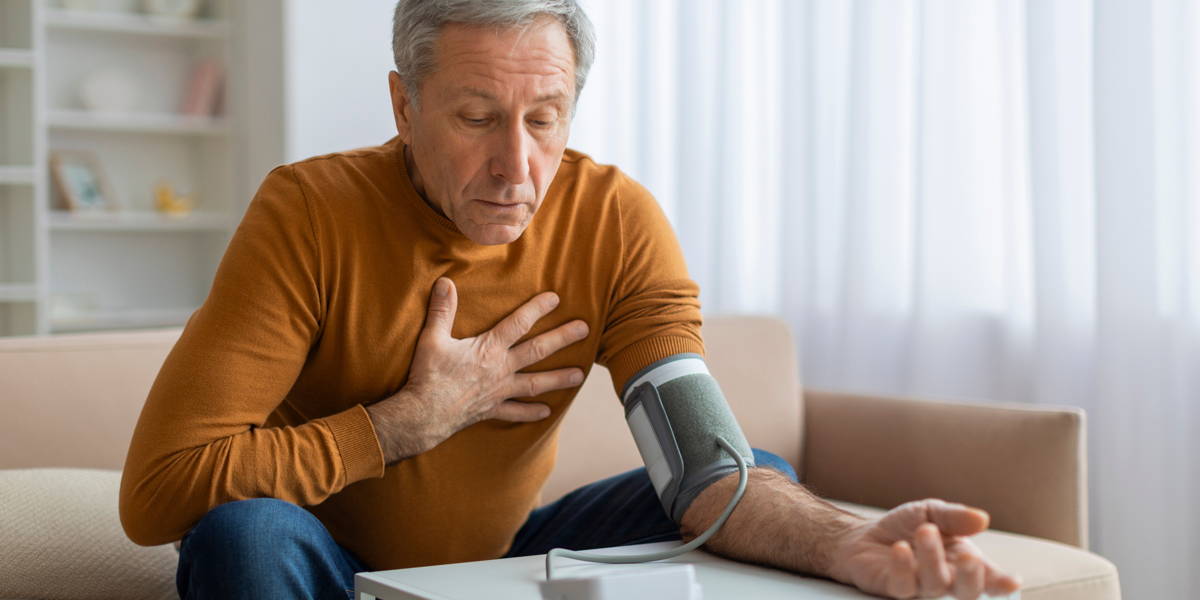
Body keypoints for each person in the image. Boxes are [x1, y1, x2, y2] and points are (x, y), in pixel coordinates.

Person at [119, 1, 1022, 599]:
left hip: (503, 558)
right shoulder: (307, 213)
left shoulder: (615, 221)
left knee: (759, 473)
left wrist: (849, 544)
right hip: (324, 564)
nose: (519, 168)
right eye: (477, 119)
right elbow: (157, 495)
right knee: (243, 538)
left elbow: (705, 469)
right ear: (404, 105)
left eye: (545, 117)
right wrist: (400, 425)